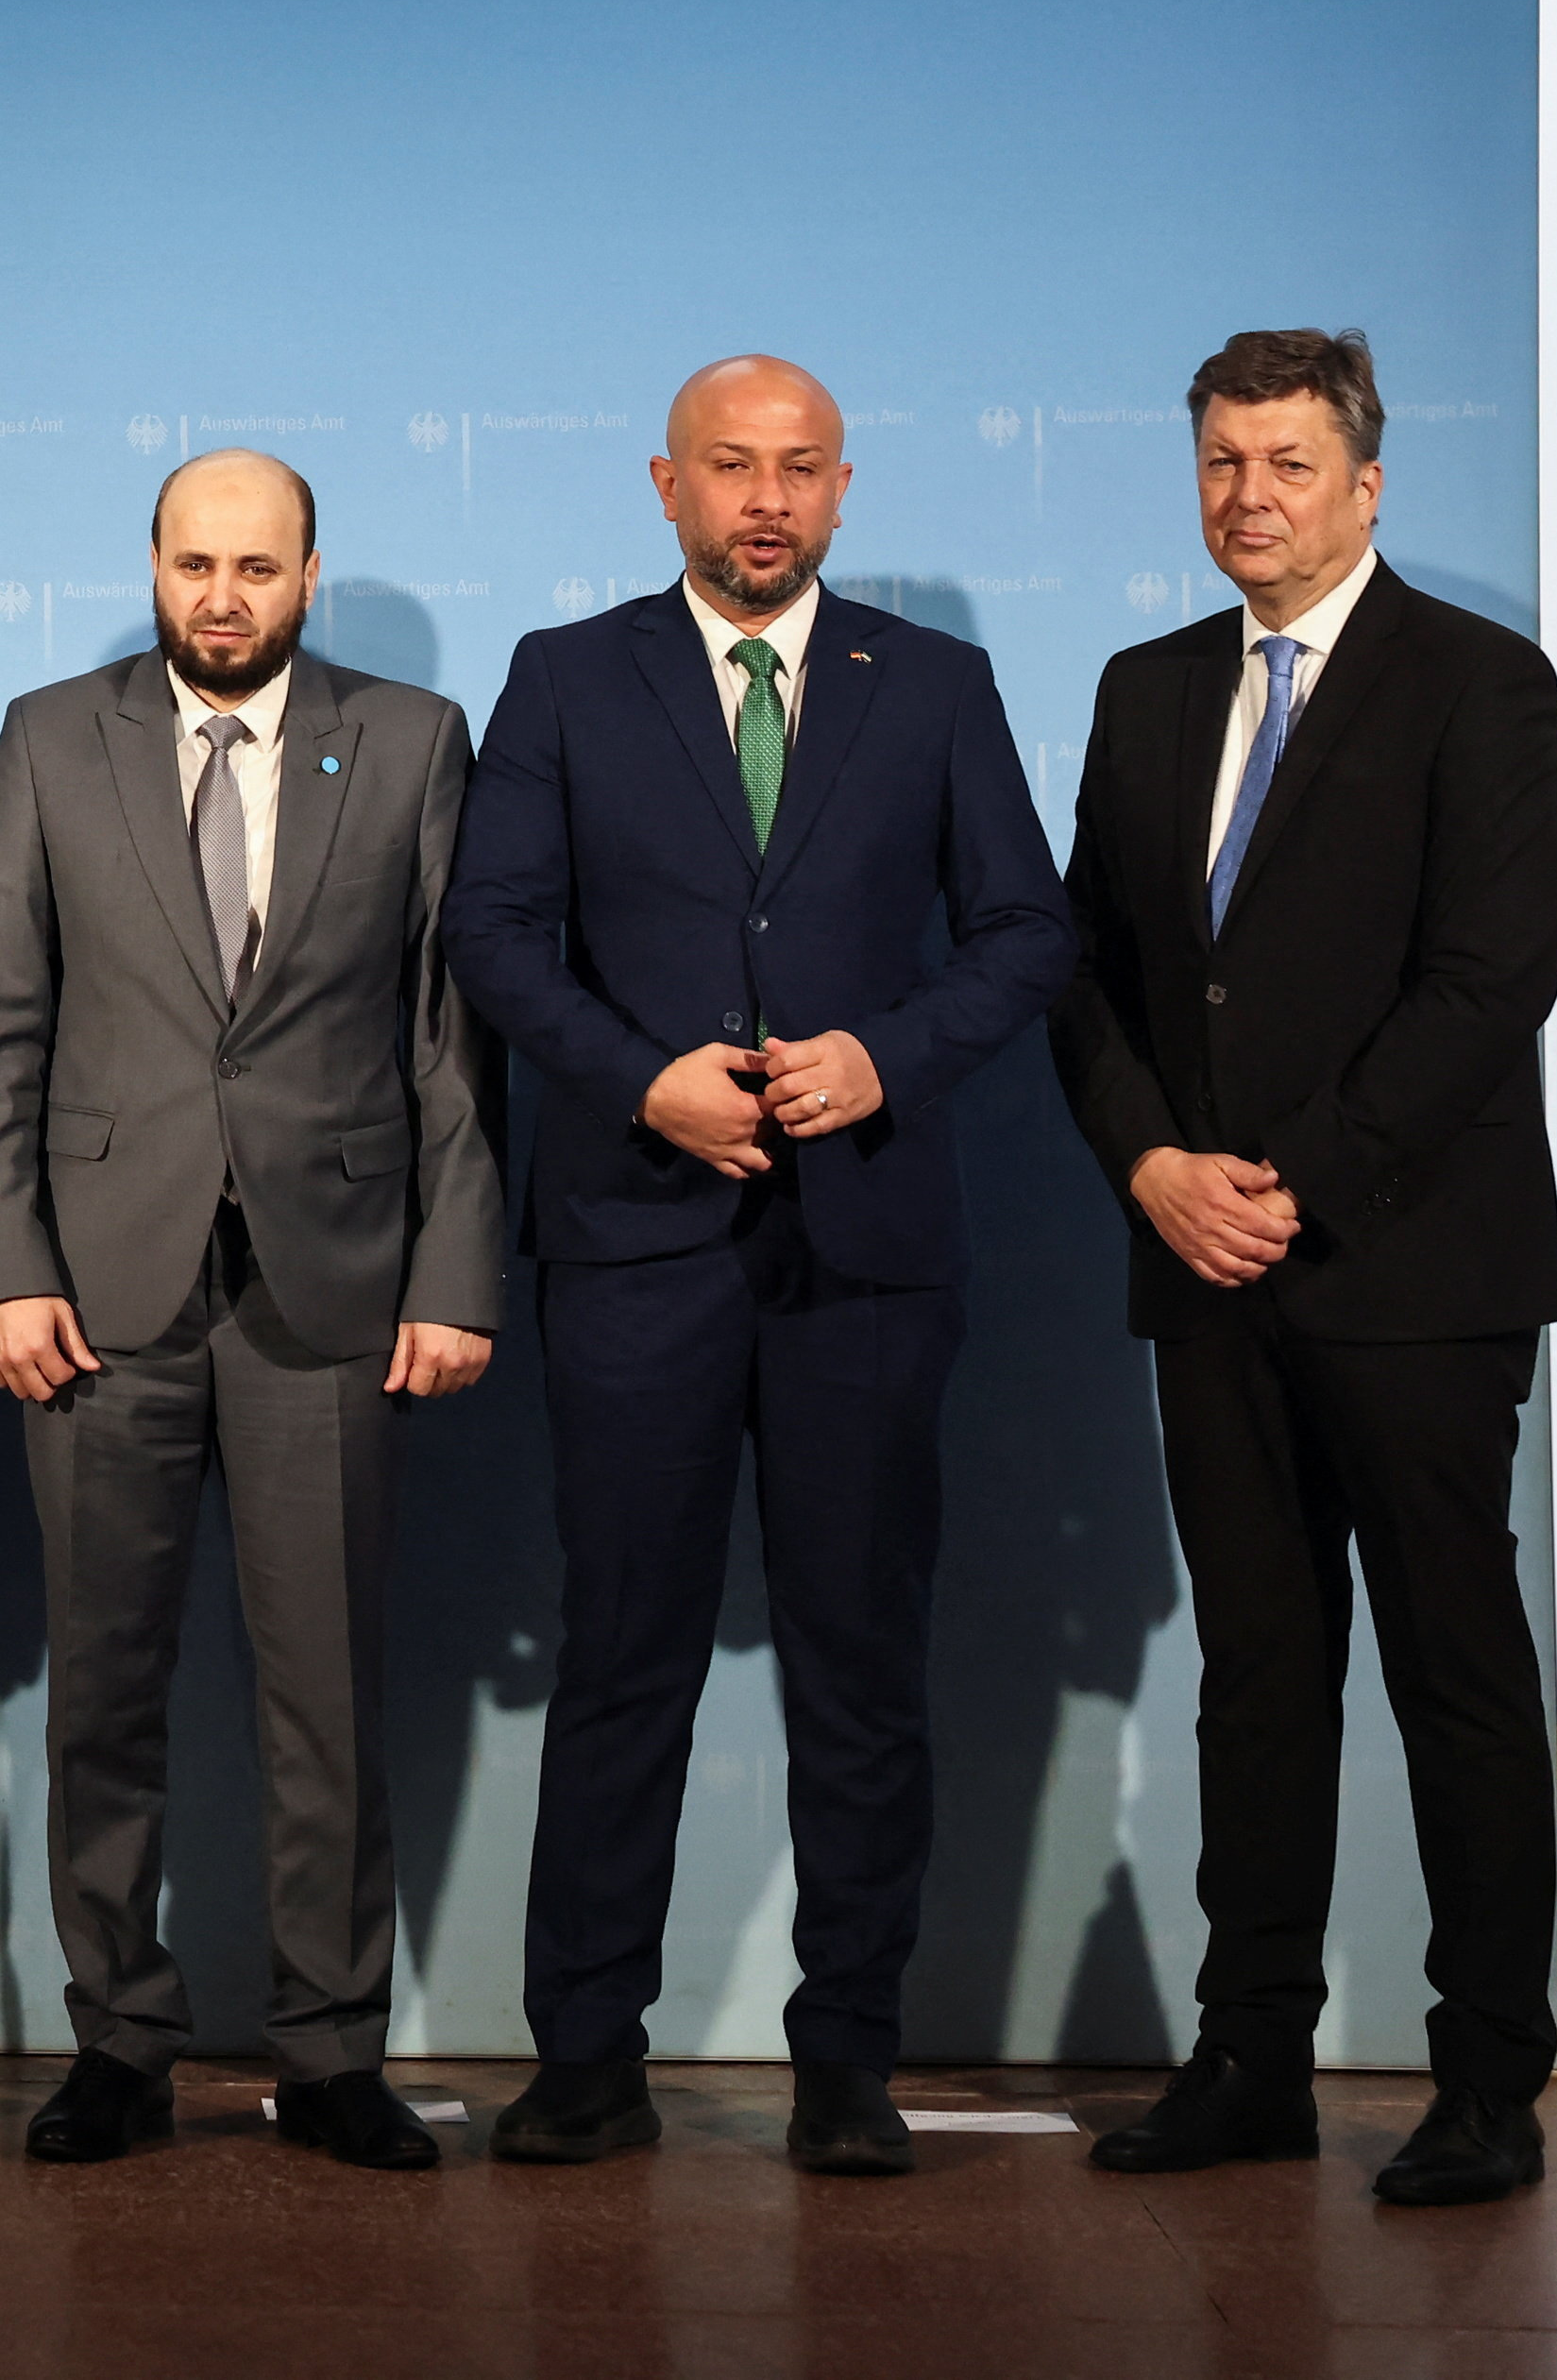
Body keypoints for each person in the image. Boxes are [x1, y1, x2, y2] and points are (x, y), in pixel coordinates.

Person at [442, 355, 1071, 2177]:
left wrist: (886, 1056)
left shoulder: (932, 684)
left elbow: (1026, 930)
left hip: (865, 1245)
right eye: (733, 466)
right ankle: (586, 2057)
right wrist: (641, 1078)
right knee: (622, 1661)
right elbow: (494, 929)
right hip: (636, 1240)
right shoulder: (568, 675)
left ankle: (848, 2062)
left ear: (843, 489)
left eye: (801, 469)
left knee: (859, 1669)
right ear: (669, 485)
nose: (768, 499)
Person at [1050, 330, 1557, 2209]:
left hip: (1412, 1270)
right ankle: (1250, 2058)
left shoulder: (1478, 681)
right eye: (1220, 462)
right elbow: (1085, 974)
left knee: (1453, 1675)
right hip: (1202, 1267)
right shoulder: (1142, 689)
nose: (1247, 496)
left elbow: (1491, 978)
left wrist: (1285, 1183)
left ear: (1364, 482)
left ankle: (1487, 2081)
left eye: (1285, 463)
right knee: (1257, 1678)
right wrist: (1150, 1166)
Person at [0, 449, 504, 2169]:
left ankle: (330, 2054)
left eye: (257, 568)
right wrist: (6, 1268)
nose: (222, 597)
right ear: (154, 566)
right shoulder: (52, 736)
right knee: (103, 1693)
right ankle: (118, 2041)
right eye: (195, 564)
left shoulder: (410, 739)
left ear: (309, 576)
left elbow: (449, 1038)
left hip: (329, 1291)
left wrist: (454, 1271)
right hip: (96, 1298)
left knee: (327, 1699)